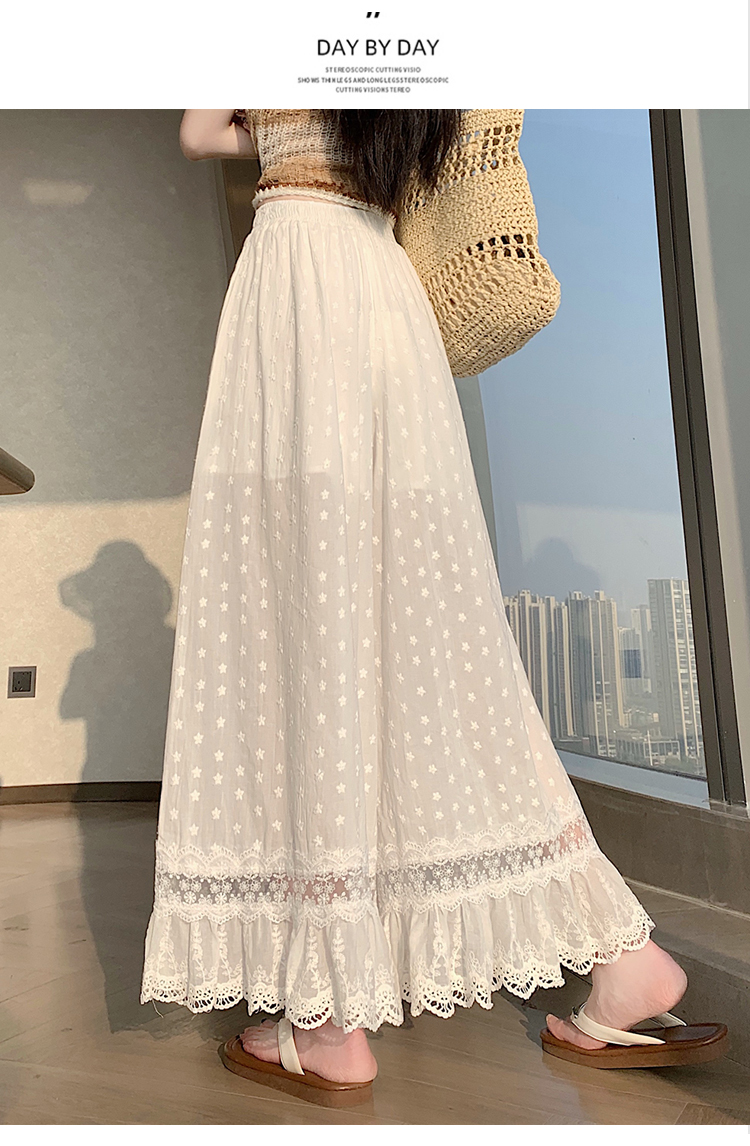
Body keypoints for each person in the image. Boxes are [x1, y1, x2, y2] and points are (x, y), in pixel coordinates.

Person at [140, 109, 726, 1096]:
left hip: (299, 285)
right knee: (437, 642)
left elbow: (201, 131)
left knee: (306, 626)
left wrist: (268, 116)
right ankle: (620, 956)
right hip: (387, 298)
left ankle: (329, 1016)